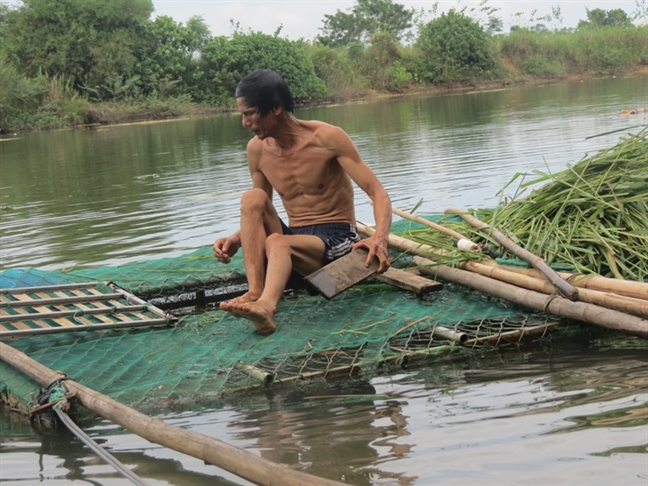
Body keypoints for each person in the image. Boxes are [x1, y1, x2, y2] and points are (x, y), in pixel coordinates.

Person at [213, 69, 392, 335]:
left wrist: (380, 238)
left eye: (249, 113)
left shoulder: (326, 138)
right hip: (293, 240)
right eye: (242, 114)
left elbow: (377, 192)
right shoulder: (257, 150)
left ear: (275, 107)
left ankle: (267, 308)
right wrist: (238, 238)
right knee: (252, 197)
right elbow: (260, 209)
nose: (244, 122)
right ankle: (255, 291)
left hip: (335, 238)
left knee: (277, 242)